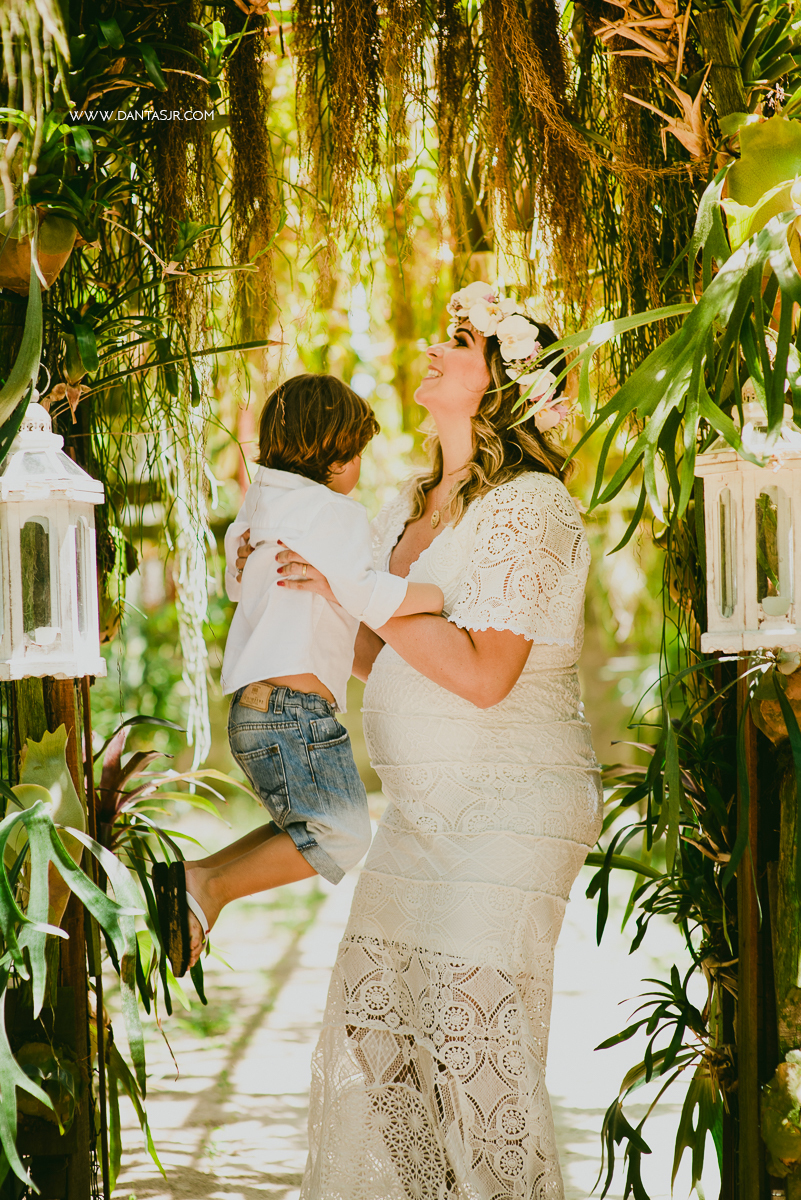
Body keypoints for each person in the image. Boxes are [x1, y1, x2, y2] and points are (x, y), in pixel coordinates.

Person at [244, 283, 604, 1199]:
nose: (432, 348)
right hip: (418, 819)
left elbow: (484, 674)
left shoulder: (533, 506)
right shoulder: (411, 506)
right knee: (377, 1032)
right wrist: (290, 582)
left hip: (511, 804)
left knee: (466, 1027)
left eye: (459, 341)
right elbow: (374, 650)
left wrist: (357, 586)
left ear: (505, 382)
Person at [153, 374, 444, 978]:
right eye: (358, 452)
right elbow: (367, 595)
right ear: (335, 457)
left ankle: (195, 881)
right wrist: (438, 593)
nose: (360, 466)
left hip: (256, 713)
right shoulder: (334, 513)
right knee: (343, 837)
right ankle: (208, 887)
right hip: (292, 713)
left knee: (311, 828)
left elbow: (236, 584)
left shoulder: (260, 504)